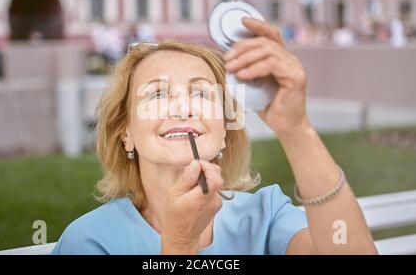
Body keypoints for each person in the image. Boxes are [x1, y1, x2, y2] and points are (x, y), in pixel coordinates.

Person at [52, 18, 377, 255]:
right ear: (126, 135)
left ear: (225, 131)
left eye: (202, 94)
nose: (182, 108)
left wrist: (296, 128)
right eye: (157, 95)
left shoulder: (266, 215)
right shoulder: (90, 241)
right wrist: (180, 245)